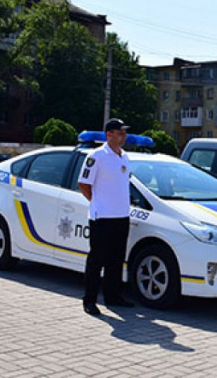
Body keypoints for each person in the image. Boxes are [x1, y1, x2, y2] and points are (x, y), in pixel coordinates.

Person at [77, 118, 135, 316]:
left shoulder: (124, 156)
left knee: (116, 260)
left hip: (121, 216)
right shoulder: (97, 156)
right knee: (97, 260)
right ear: (108, 135)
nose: (123, 136)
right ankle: (90, 300)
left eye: (124, 133)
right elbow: (84, 184)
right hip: (102, 217)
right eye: (119, 132)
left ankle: (113, 296)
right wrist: (98, 203)